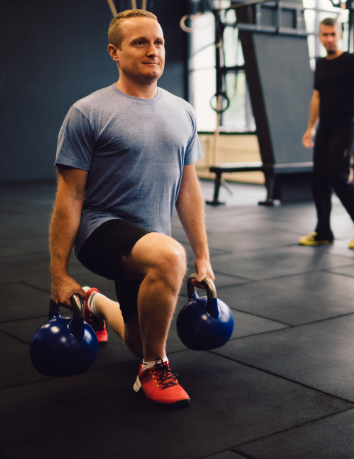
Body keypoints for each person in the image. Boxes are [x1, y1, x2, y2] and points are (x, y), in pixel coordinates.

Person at [49, 9, 213, 408]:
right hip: (101, 229)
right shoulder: (88, 112)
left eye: (157, 41)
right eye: (140, 42)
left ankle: (94, 303)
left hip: (150, 235)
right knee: (168, 259)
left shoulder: (183, 111)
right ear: (114, 52)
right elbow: (69, 195)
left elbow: (188, 188)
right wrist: (58, 274)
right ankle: (153, 369)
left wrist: (204, 257)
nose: (152, 50)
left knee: (140, 338)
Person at [300, 17, 354, 249]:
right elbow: (316, 97)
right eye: (325, 35)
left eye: (333, 34)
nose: (329, 39)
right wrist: (310, 128)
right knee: (319, 181)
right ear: (320, 37)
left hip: (346, 128)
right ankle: (323, 231)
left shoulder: (351, 61)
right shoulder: (321, 64)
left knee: (339, 179)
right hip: (325, 129)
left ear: (340, 34)